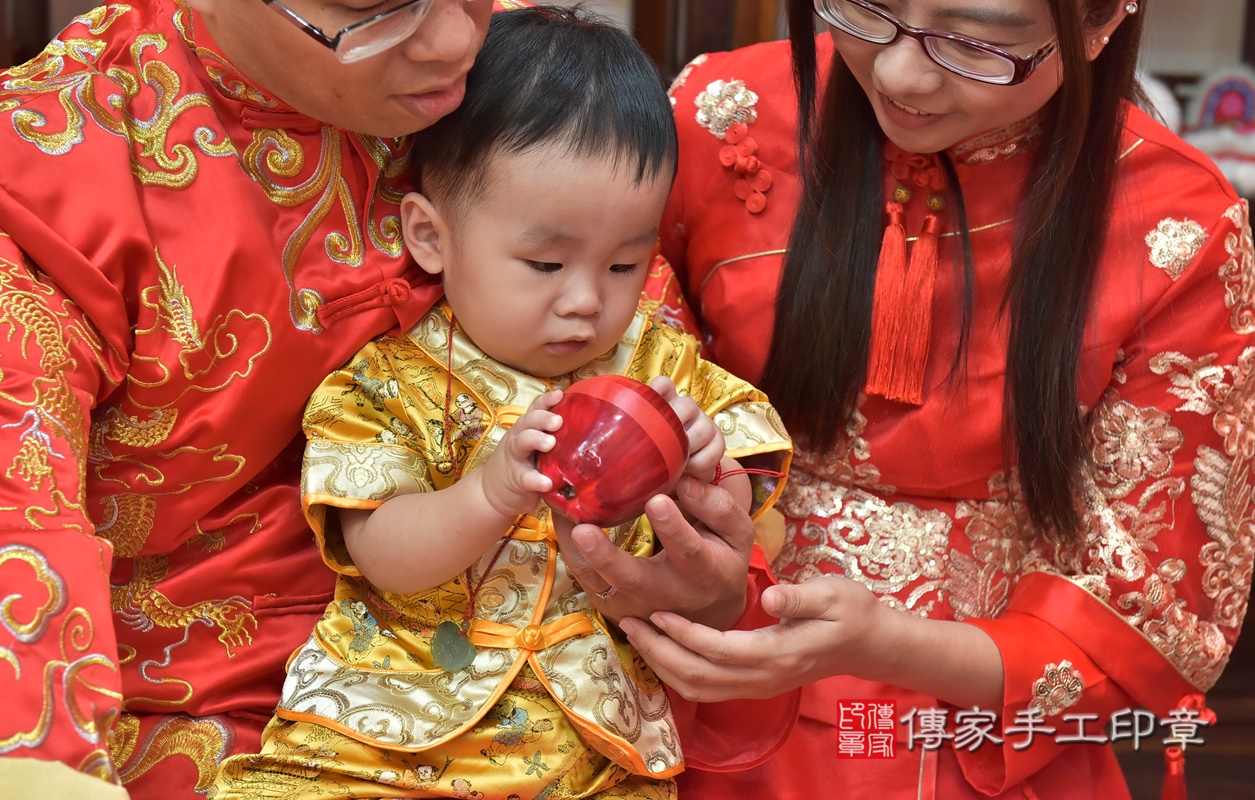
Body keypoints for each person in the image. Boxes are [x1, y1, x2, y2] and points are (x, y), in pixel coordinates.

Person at [0, 2, 773, 798]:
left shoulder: (527, 84)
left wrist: (707, 569)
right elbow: (21, 532)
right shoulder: (46, 160)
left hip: (575, 710)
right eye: (371, 11)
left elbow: (659, 364)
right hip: (216, 722)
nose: (450, 43)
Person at [623, 0, 1255, 798]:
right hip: (690, 672)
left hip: (971, 717)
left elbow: (1149, 612)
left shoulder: (1179, 223)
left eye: (975, 41)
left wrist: (886, 644)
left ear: (1096, 25)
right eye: (865, 8)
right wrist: (715, 575)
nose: (899, 73)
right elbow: (607, 382)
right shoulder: (718, 116)